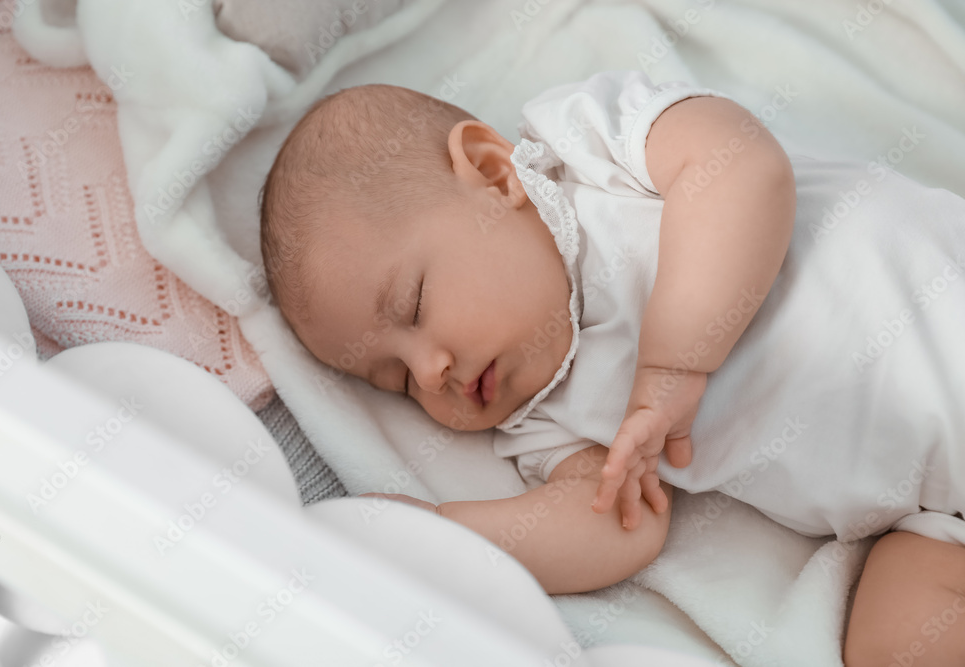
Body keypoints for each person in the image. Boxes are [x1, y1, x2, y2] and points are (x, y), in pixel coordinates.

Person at [259, 71, 965, 665]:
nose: (432, 369)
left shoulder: (591, 149)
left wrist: (673, 365)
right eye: (397, 380)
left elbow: (744, 167)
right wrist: (450, 533)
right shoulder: (541, 424)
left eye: (414, 307)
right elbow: (622, 525)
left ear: (491, 170)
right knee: (893, 642)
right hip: (931, 506)